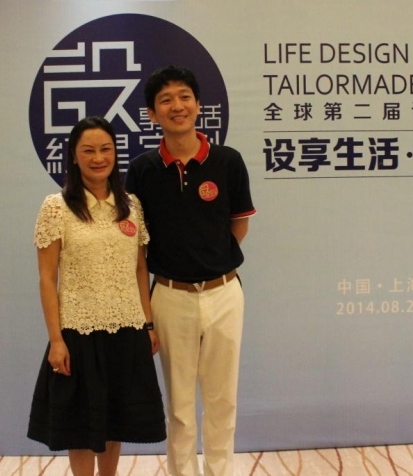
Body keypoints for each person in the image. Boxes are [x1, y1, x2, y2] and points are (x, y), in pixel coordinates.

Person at [125, 65, 256, 476]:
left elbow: (239, 223)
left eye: (184, 96)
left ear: (198, 105)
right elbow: (137, 245)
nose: (177, 106)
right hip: (169, 296)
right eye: (165, 100)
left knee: (222, 401)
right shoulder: (142, 170)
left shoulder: (228, 161)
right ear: (152, 114)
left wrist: (213, 260)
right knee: (180, 407)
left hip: (224, 293)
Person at [27, 116, 166, 476]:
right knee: (80, 425)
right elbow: (47, 278)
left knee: (116, 420)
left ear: (115, 154)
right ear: (74, 156)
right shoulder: (56, 207)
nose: (98, 157)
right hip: (78, 331)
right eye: (88, 150)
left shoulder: (131, 205)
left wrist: (148, 323)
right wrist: (56, 339)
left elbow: (140, 269)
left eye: (106, 149)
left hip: (127, 328)